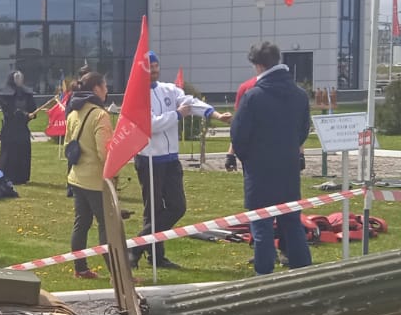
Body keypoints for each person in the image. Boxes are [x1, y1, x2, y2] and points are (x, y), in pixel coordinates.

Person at [132, 53, 225, 270]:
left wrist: (215, 115)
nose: (154, 70)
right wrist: (177, 115)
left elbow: (190, 103)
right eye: (150, 67)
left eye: (156, 66)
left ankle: (136, 247)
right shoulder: (137, 96)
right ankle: (156, 257)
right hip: (150, 159)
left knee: (177, 207)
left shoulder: (169, 89)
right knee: (153, 210)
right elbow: (150, 125)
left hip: (171, 159)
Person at [230, 42, 314, 276]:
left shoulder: (253, 96)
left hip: (259, 169)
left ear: (258, 65)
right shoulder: (299, 95)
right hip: (288, 167)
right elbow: (303, 130)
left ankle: (264, 275)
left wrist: (247, 158)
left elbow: (238, 135)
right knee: (292, 223)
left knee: (261, 225)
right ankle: (304, 272)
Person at [63, 72, 113, 282]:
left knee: (81, 224)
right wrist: (114, 173)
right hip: (95, 181)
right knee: (107, 226)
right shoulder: (100, 115)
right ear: (96, 89)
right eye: (105, 86)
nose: (107, 90)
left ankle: (80, 268)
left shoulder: (73, 113)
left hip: (77, 178)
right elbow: (105, 153)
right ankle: (117, 273)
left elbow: (67, 145)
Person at [0, 70, 36, 184]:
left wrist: (31, 114)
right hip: (10, 129)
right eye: (17, 78)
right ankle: (7, 176)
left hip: (22, 129)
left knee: (23, 152)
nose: (19, 80)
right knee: (10, 154)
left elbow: (32, 107)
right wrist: (25, 115)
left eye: (21, 78)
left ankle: (22, 177)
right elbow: (9, 111)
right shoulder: (5, 95)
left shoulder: (26, 94)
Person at [45, 78, 71, 147]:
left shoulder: (69, 96)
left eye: (63, 85)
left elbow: (63, 107)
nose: (62, 87)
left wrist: (58, 102)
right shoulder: (63, 95)